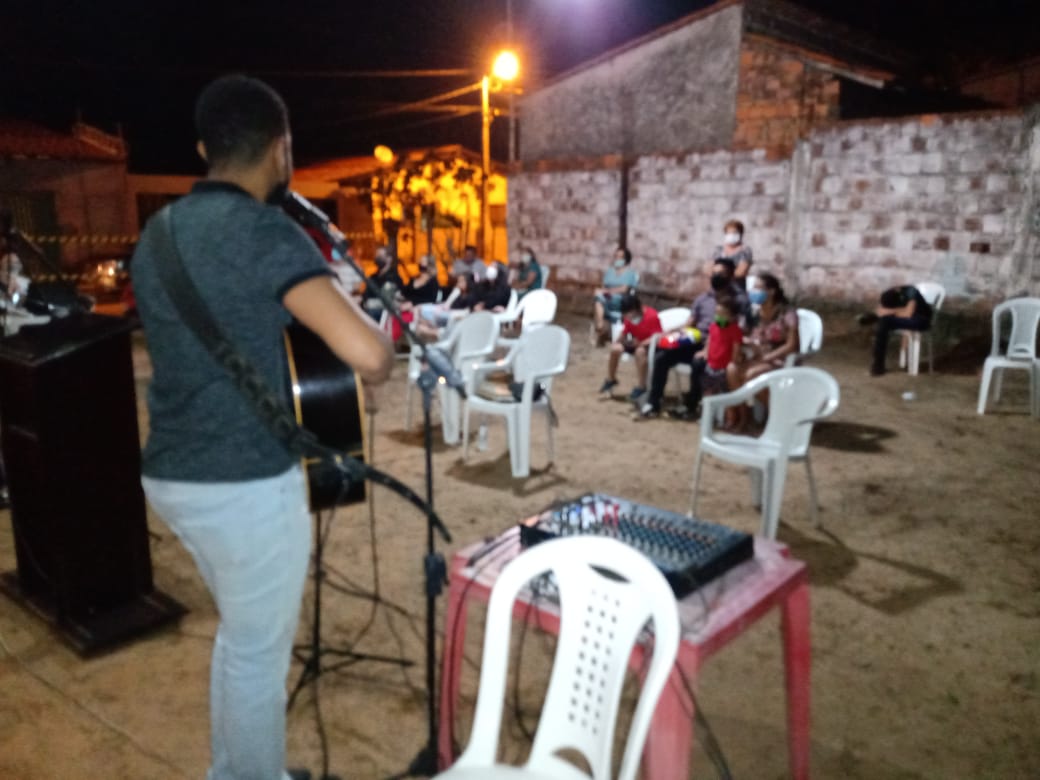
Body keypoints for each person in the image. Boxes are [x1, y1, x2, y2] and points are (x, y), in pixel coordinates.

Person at [130, 75, 394, 780]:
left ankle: (234, 772)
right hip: (243, 484)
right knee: (256, 655)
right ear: (283, 149)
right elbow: (369, 355)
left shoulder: (157, 234)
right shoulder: (264, 232)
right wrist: (373, 326)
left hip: (172, 474)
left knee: (241, 639)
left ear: (203, 150)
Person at [639, 259, 749, 419]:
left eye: (721, 273)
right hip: (696, 340)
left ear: (731, 276)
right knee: (662, 357)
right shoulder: (703, 299)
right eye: (714, 272)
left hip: (720, 346)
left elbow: (742, 328)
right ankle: (653, 402)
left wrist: (710, 348)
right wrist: (670, 335)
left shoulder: (738, 301)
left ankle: (690, 406)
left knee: (698, 363)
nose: (716, 276)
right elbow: (689, 324)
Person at [733, 272, 800, 384]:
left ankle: (769, 397)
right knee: (732, 369)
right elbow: (740, 332)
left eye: (758, 288)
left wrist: (767, 357)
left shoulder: (787, 314)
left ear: (771, 291)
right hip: (755, 355)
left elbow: (792, 345)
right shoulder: (752, 312)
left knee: (752, 374)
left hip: (778, 359)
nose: (753, 291)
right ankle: (739, 396)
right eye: (753, 288)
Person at [599, 294, 662, 401]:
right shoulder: (629, 317)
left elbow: (658, 337)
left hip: (648, 346)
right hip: (634, 342)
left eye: (630, 313)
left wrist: (641, 343)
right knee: (615, 349)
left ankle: (641, 386)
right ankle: (611, 379)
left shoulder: (652, 316)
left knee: (640, 352)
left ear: (637, 309)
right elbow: (625, 332)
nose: (628, 316)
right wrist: (617, 342)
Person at [868, 284, 933, 376]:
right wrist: (883, 313)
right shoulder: (889, 294)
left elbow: (908, 313)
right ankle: (878, 365)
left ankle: (878, 366)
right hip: (907, 319)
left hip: (921, 320)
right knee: (883, 322)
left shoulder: (911, 291)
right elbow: (889, 311)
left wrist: (889, 312)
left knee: (885, 320)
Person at [701, 297, 745, 429]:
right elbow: (710, 340)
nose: (718, 317)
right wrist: (705, 352)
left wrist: (733, 362)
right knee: (708, 393)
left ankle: (730, 420)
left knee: (726, 396)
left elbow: (736, 348)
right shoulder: (713, 326)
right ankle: (707, 417)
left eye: (722, 314)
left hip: (724, 368)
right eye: (717, 313)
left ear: (731, 316)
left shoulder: (735, 330)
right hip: (711, 365)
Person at [592, 246, 638, 344]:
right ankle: (601, 326)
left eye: (620, 257)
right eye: (616, 256)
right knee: (598, 298)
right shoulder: (610, 271)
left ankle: (600, 329)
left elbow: (624, 289)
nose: (617, 259)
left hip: (621, 299)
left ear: (626, 259)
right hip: (607, 297)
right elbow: (604, 286)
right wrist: (602, 291)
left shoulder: (630, 273)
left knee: (599, 300)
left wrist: (608, 292)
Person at [713, 218, 753, 288]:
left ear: (741, 234)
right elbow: (709, 268)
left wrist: (722, 274)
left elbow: (741, 272)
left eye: (734, 233)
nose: (731, 235)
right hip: (718, 285)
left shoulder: (745, 250)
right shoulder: (719, 249)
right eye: (728, 233)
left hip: (738, 286)